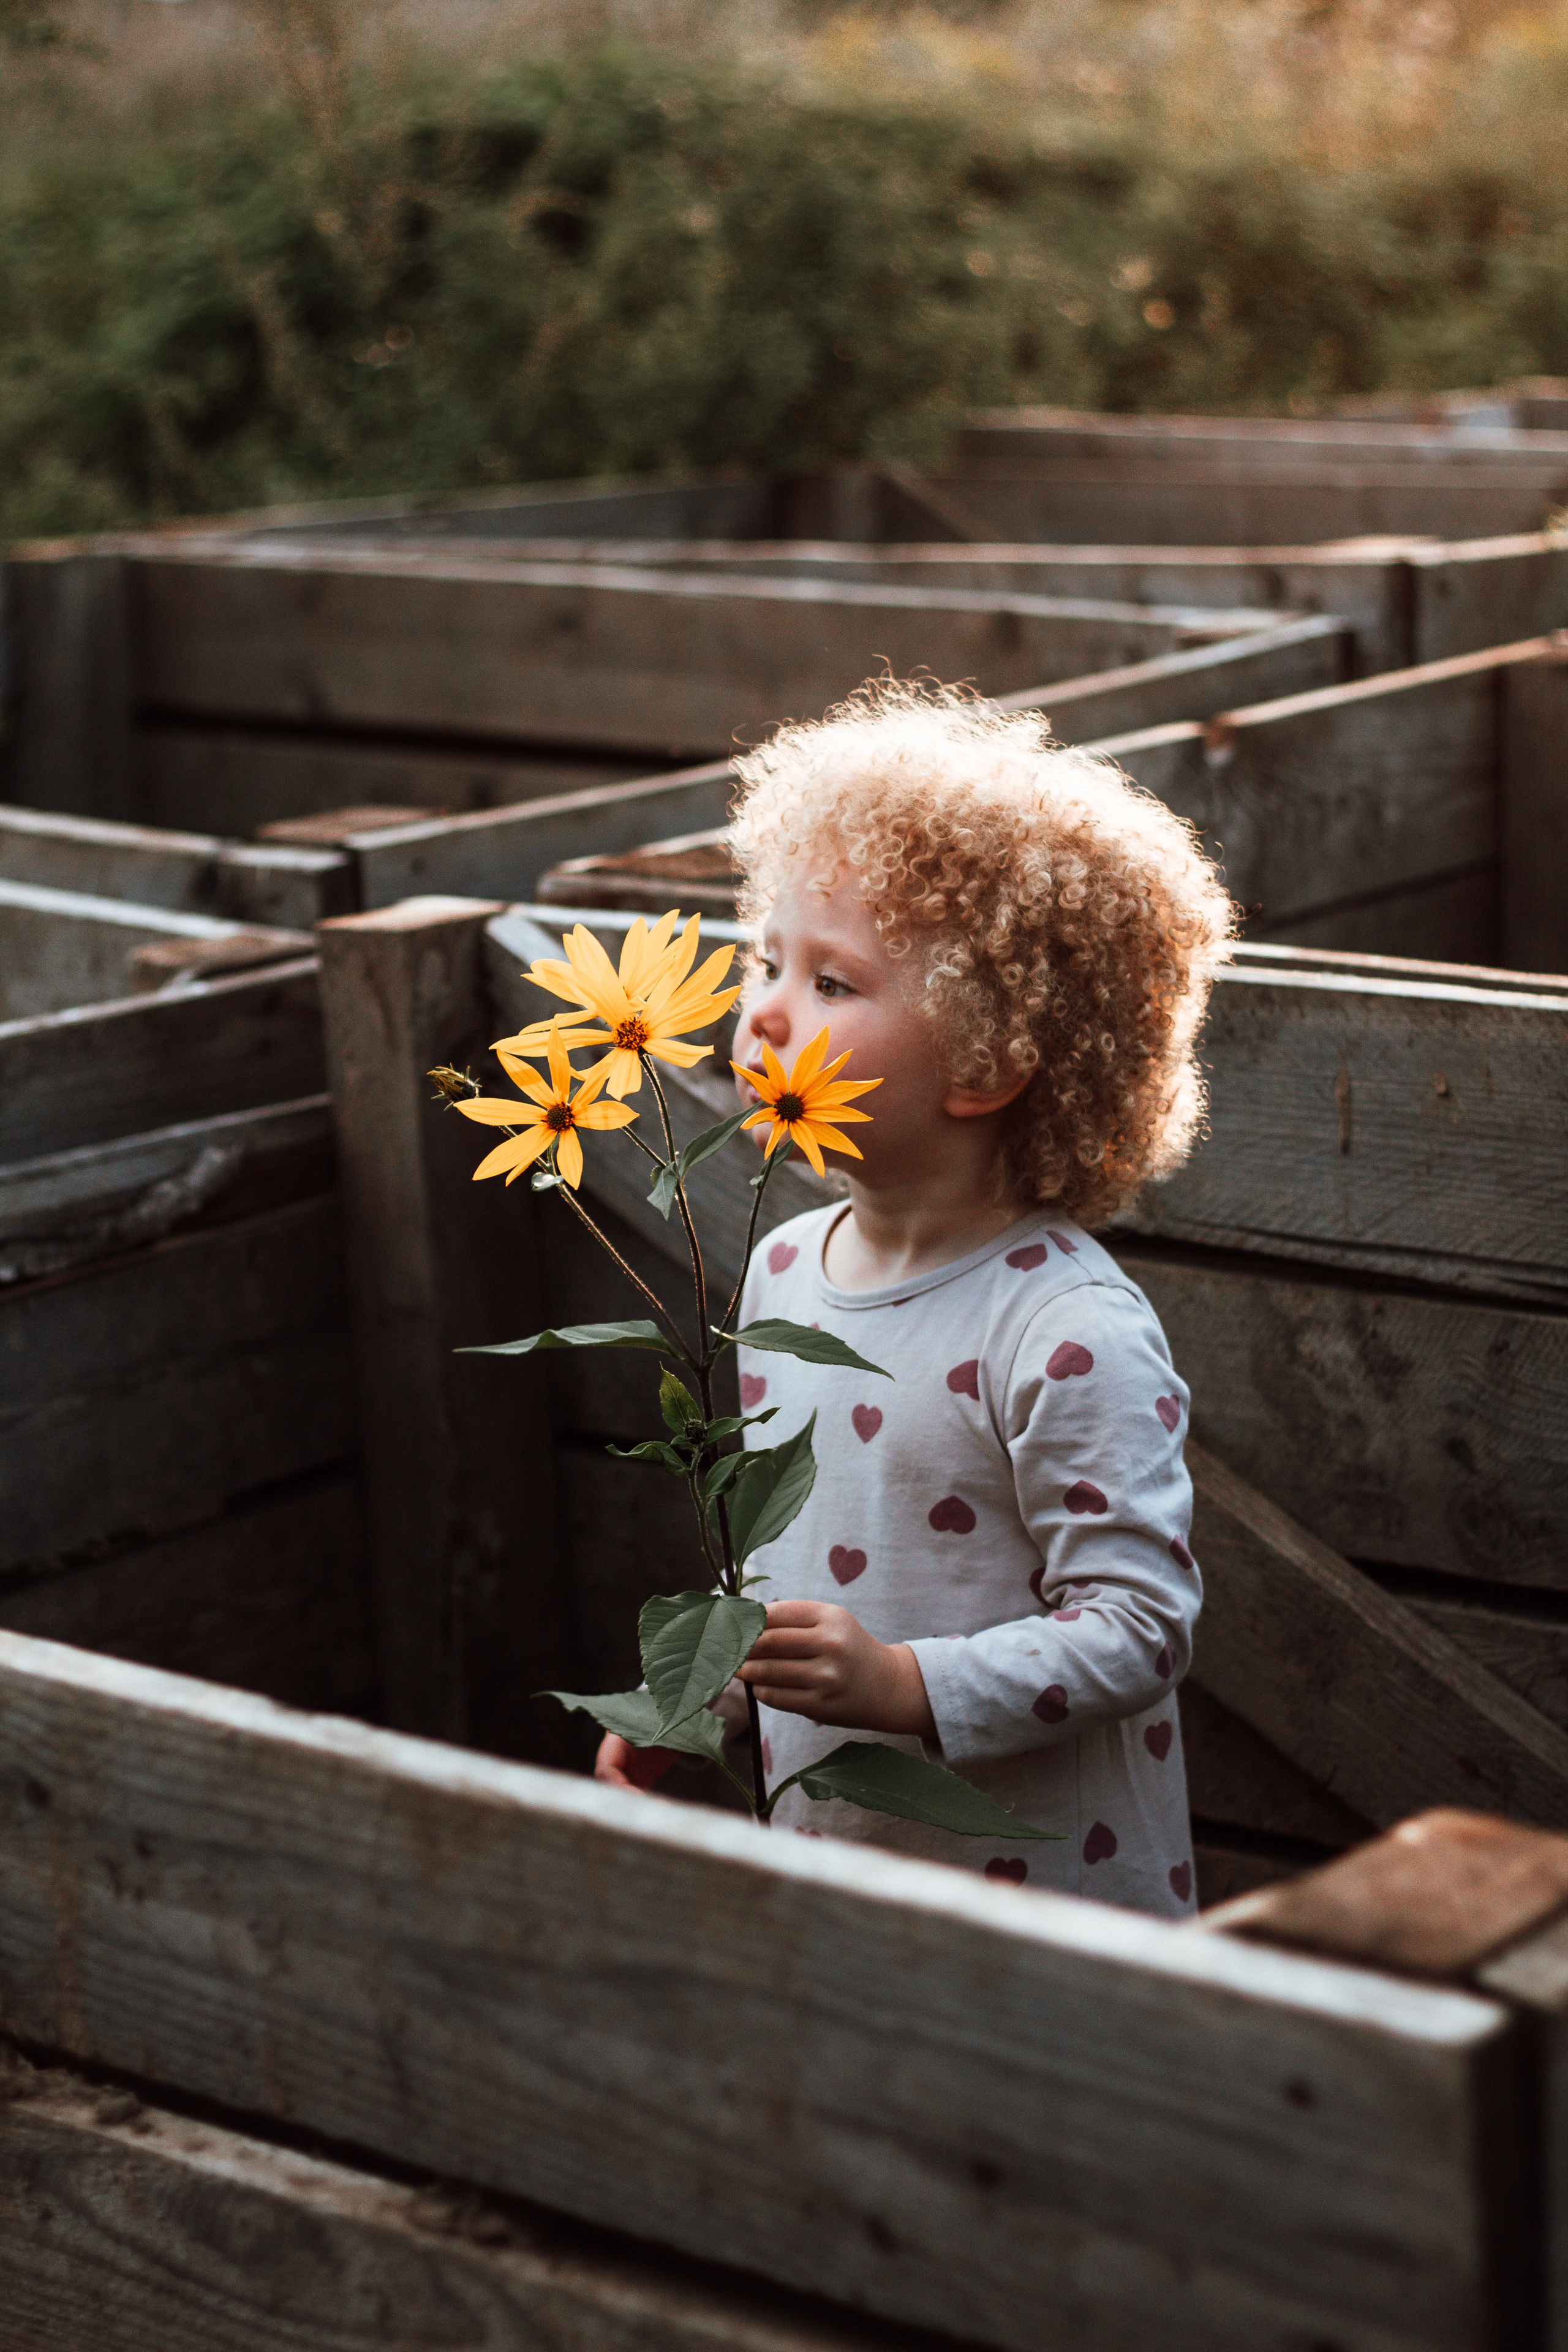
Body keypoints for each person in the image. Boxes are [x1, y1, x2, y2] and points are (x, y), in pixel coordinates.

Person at [596, 680, 1234, 1916]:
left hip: (1048, 1905)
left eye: (832, 983)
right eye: (764, 958)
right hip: (836, 1877)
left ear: (990, 1058)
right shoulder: (784, 1272)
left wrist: (907, 1684)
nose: (763, 1009)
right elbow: (781, 1566)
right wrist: (701, 1699)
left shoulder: (1061, 1330)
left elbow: (1140, 1628)